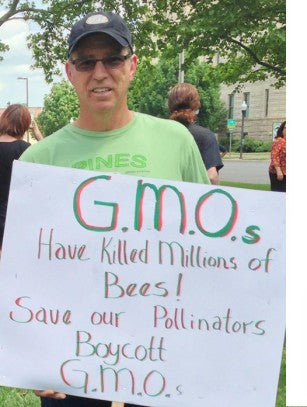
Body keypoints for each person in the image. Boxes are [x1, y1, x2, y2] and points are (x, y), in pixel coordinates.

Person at [19, 10, 210, 407]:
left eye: (113, 58)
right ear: (70, 72)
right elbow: (27, 272)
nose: (100, 71)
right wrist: (32, 353)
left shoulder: (175, 141)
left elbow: (210, 252)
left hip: (163, 358)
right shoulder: (39, 160)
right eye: (86, 61)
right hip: (71, 362)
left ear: (132, 65)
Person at [0, 104, 42, 253]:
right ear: (25, 124)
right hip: (15, 216)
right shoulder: (26, 149)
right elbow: (49, 171)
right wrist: (38, 135)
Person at [168, 82, 224, 185]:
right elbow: (211, 177)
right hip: (192, 197)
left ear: (170, 105)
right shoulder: (205, 136)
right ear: (196, 105)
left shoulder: (163, 133)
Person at [269, 120, 286, 192]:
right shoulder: (279, 141)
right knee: (279, 196)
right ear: (282, 130)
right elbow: (274, 156)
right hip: (279, 174)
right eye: (286, 128)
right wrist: (278, 171)